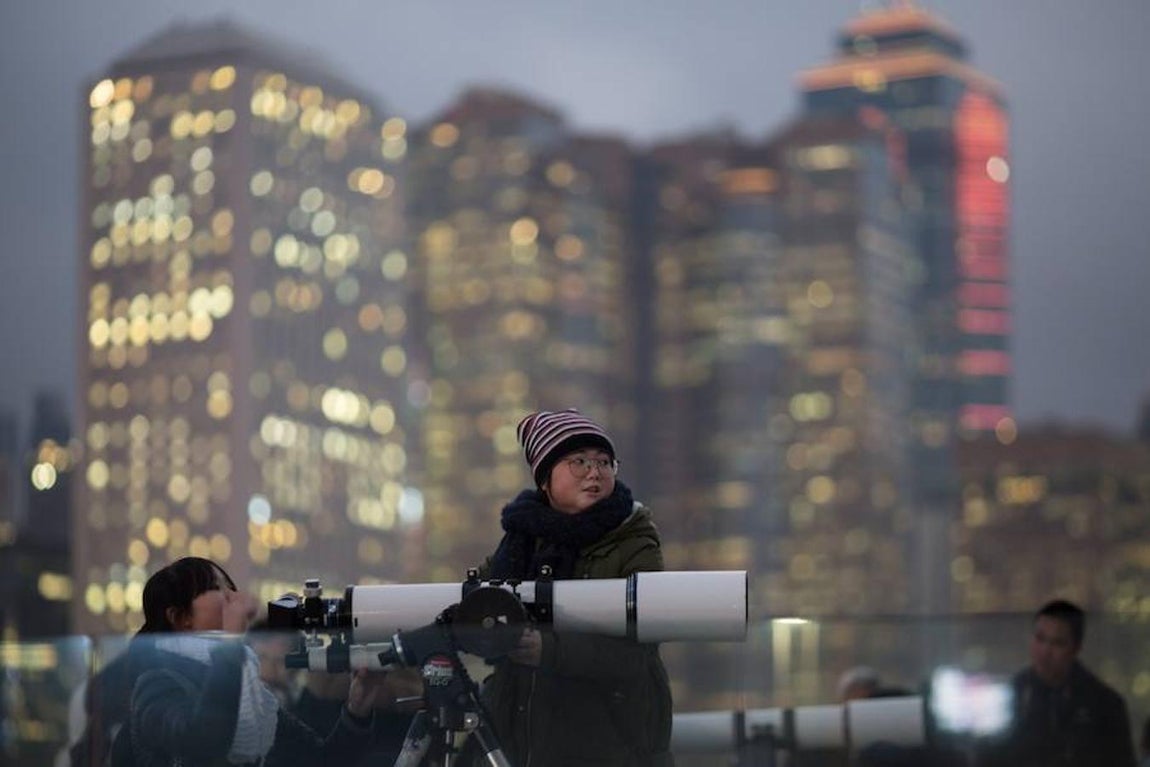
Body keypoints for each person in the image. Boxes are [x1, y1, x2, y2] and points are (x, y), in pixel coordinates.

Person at [477, 408, 674, 767]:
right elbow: (476, 602)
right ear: (544, 479)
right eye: (579, 461)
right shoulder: (520, 541)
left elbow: (638, 652)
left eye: (604, 462)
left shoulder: (634, 540)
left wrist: (549, 650)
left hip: (613, 745)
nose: (595, 472)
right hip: (522, 744)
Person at [109, 556, 392, 767]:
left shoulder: (250, 695)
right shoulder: (156, 684)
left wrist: (357, 709)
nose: (235, 597)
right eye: (216, 588)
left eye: (231, 587)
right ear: (180, 618)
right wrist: (231, 643)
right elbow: (206, 739)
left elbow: (322, 761)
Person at [980, 599, 1137, 767]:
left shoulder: (1105, 706)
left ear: (1075, 649)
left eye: (1057, 643)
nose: (1045, 652)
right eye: (1040, 639)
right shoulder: (1011, 694)